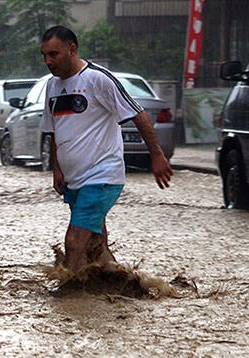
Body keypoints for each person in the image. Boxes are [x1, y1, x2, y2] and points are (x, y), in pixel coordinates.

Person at [39, 25, 173, 281]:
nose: (48, 61)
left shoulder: (97, 79)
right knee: (96, 246)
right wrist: (57, 169)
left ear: (72, 49)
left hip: (101, 176)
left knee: (74, 242)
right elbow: (55, 131)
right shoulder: (52, 87)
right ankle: (125, 285)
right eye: (44, 55)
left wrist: (156, 155)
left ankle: (74, 306)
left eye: (53, 54)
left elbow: (138, 114)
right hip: (74, 180)